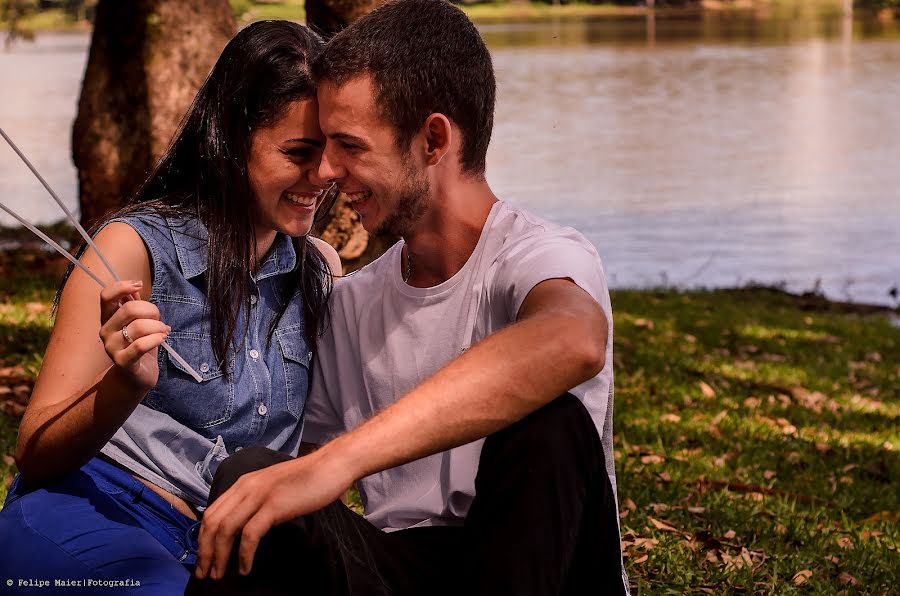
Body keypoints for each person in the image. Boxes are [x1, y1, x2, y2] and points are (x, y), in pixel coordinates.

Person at [190, 1, 629, 594]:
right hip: (405, 569)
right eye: (321, 146)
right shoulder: (353, 304)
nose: (325, 170)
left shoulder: (543, 257)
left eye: (348, 145)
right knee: (254, 479)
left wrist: (340, 463)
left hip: (545, 562)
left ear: (432, 139)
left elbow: (573, 340)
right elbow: (284, 454)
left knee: (550, 424)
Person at [0, 21, 341, 594]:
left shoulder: (319, 270)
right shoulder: (130, 249)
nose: (324, 175)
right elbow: (34, 452)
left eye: (334, 152)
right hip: (98, 504)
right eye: (300, 153)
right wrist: (124, 385)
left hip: (228, 545)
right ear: (234, 137)